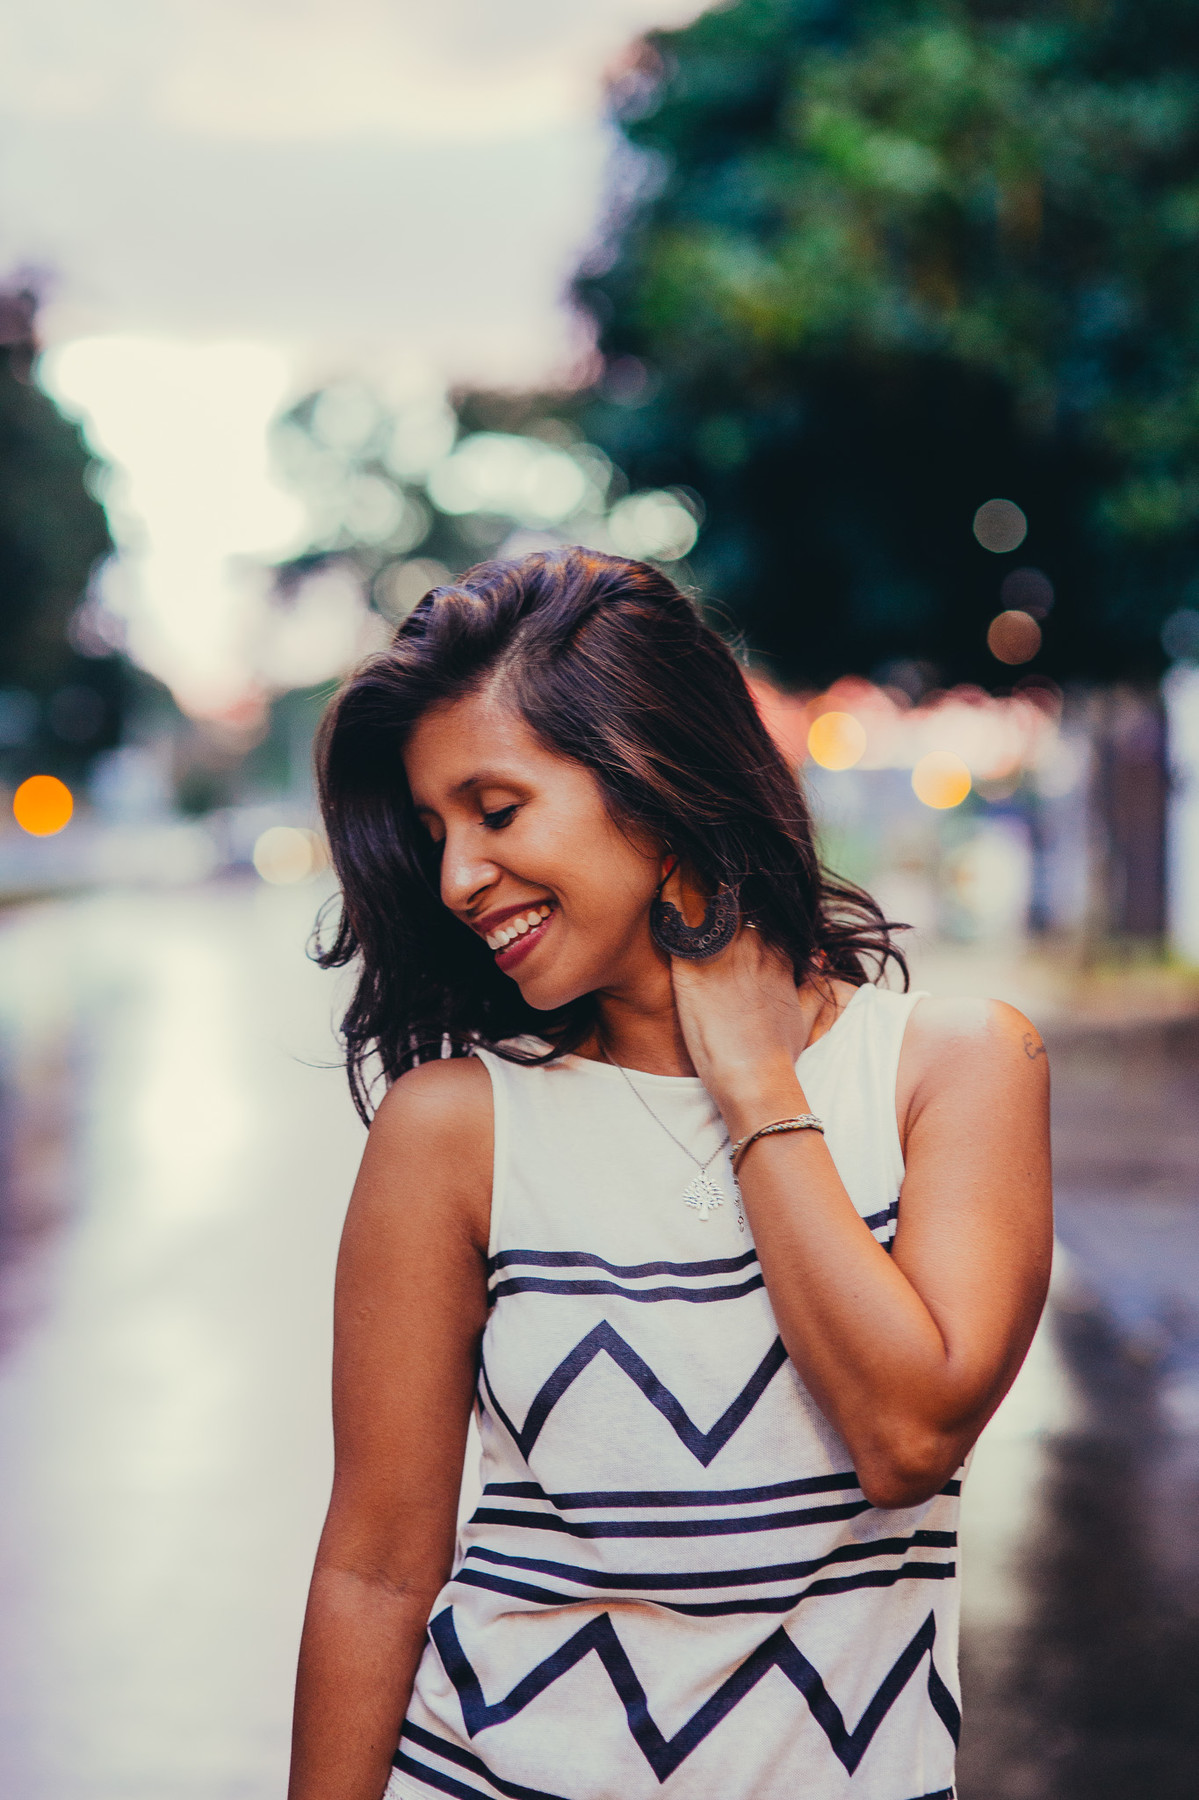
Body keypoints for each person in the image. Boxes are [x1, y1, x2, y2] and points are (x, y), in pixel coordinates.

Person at [288, 548, 1052, 1800]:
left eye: (494, 811)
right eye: (432, 833)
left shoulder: (950, 1069)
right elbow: (374, 1563)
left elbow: (906, 1435)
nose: (454, 878)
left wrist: (754, 1085)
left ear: (649, 776)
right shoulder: (456, 1129)